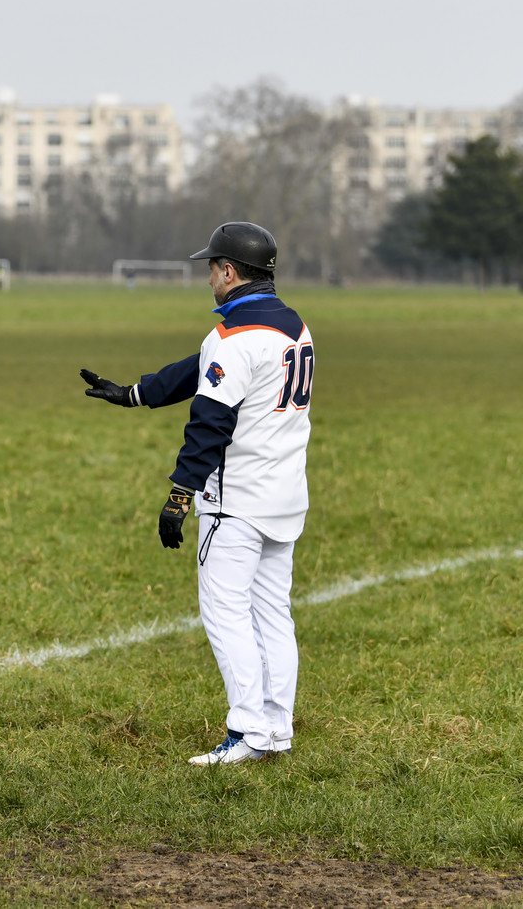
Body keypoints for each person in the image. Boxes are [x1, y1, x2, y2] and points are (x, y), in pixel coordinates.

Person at [79, 222, 314, 766]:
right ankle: (275, 730)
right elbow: (204, 369)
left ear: (229, 271)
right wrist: (136, 393)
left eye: (211, 268)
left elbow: (209, 422)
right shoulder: (293, 326)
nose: (208, 278)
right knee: (273, 615)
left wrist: (180, 494)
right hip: (284, 496)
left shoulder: (232, 339)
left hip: (235, 502)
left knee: (225, 614)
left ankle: (248, 732)